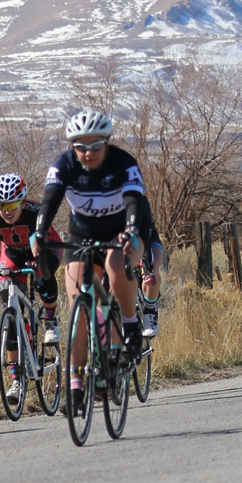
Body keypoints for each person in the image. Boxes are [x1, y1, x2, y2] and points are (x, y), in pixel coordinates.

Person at [31, 111, 153, 415]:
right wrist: (39, 232)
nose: (87, 153)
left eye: (95, 146)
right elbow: (50, 199)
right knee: (78, 310)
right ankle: (76, 386)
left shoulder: (123, 163)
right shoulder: (64, 165)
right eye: (80, 147)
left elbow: (134, 202)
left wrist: (133, 232)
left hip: (121, 228)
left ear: (107, 143)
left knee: (115, 264)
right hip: (82, 234)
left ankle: (129, 323)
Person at [0, 172, 63, 348]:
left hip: (45, 248)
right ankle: (15, 373)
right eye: (2, 205)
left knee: (44, 275)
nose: (7, 211)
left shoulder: (35, 213)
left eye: (13, 205)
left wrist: (40, 264)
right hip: (13, 255)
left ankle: (50, 319)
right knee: (9, 309)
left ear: (23, 203)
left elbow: (41, 240)